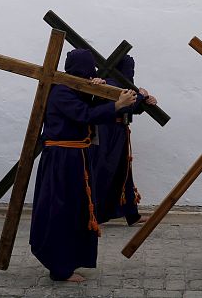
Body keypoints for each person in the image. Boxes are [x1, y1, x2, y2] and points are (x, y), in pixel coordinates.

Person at [29, 48, 137, 282]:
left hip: (76, 158)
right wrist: (116, 106)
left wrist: (93, 90)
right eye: (88, 71)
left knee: (77, 211)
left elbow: (85, 104)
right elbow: (83, 115)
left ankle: (69, 262)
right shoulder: (60, 91)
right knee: (61, 211)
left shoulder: (72, 88)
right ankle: (59, 267)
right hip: (62, 160)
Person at [89, 55, 157, 226]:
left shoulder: (125, 84)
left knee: (123, 171)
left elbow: (132, 109)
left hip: (119, 132)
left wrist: (148, 101)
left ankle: (131, 214)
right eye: (129, 67)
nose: (131, 71)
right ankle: (95, 214)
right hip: (106, 132)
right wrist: (141, 96)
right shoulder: (110, 84)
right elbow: (126, 104)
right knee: (104, 170)